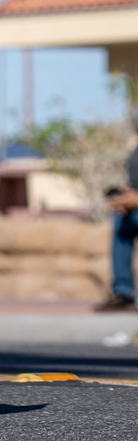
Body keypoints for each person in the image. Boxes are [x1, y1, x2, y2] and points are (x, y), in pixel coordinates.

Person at [95, 109, 138, 312]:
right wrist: (123, 198)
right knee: (121, 223)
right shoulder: (134, 154)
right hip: (133, 210)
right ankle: (123, 292)